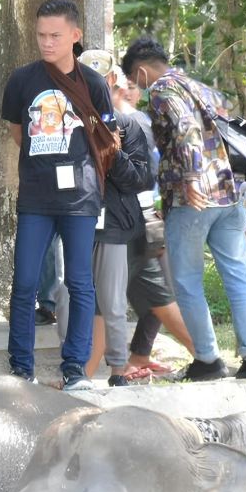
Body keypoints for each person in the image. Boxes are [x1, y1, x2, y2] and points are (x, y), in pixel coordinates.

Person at [122, 36, 246, 381]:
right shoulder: (197, 86)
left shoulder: (162, 90)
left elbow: (186, 129)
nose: (137, 90)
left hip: (193, 200)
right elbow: (227, 114)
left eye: (134, 82)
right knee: (236, 274)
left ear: (142, 72)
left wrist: (189, 177)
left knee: (187, 280)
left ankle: (208, 360)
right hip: (230, 193)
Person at [3, 0, 118, 390]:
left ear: (74, 35)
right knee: (25, 283)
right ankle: (20, 368)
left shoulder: (94, 83)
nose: (47, 43)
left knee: (80, 284)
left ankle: (75, 369)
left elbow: (108, 137)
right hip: (35, 196)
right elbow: (19, 133)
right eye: (41, 36)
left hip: (80, 198)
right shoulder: (22, 80)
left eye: (55, 36)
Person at [74, 51, 155, 387]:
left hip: (113, 225)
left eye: (100, 78)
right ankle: (76, 370)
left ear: (111, 81)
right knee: (71, 298)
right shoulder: (64, 122)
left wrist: (113, 152)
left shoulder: (130, 125)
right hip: (72, 219)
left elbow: (141, 179)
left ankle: (119, 371)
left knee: (112, 300)